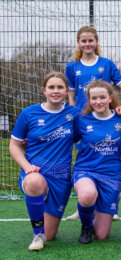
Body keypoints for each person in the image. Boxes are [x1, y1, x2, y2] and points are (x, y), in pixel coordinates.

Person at [10, 72, 80, 251]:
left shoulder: (74, 114)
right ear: (44, 90)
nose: (55, 91)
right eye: (51, 87)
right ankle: (37, 235)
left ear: (66, 91)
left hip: (60, 178)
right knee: (34, 181)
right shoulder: (29, 113)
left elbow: (96, 122)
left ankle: (43, 232)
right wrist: (28, 168)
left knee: (50, 235)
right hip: (36, 173)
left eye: (60, 87)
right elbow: (14, 145)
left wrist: (117, 109)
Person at [73, 80, 121, 244]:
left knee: (101, 235)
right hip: (86, 170)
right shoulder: (82, 119)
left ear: (110, 98)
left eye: (102, 97)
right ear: (89, 100)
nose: (98, 101)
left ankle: (93, 216)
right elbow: (66, 138)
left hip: (111, 175)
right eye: (94, 98)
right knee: (87, 195)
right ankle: (85, 226)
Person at [65, 26, 121, 110]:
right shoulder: (72, 66)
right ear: (78, 42)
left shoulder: (107, 63)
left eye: (90, 40)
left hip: (103, 113)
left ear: (96, 41)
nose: (87, 44)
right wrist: (72, 114)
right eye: (83, 41)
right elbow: (72, 97)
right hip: (82, 114)